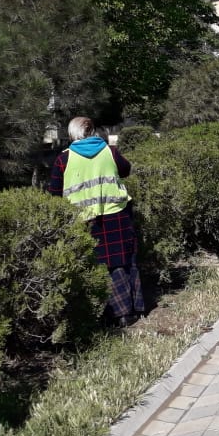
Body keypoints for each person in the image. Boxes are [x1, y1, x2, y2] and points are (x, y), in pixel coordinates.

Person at [47, 117, 144, 327]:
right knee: (123, 262)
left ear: (72, 134)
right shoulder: (109, 151)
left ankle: (107, 314)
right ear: (92, 132)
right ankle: (130, 311)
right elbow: (126, 169)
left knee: (97, 266)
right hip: (117, 214)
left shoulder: (63, 159)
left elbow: (54, 193)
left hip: (84, 221)